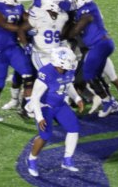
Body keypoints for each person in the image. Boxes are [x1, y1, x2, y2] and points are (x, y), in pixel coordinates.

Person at [64, 0, 118, 117]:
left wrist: (66, 31)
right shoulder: (87, 7)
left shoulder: (86, 11)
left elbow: (74, 32)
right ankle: (109, 101)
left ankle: (108, 102)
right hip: (95, 45)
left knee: (88, 75)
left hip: (95, 46)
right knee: (92, 75)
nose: (73, 0)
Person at [26, 47, 85, 177]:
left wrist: (77, 98)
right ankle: (31, 160)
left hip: (59, 104)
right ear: (61, 62)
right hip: (44, 106)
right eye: (69, 60)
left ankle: (67, 160)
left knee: (73, 127)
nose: (72, 62)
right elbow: (35, 98)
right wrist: (39, 117)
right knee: (45, 136)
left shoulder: (68, 70)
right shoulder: (46, 73)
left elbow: (68, 84)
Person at [0, 0, 34, 123]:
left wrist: (36, 19)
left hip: (13, 47)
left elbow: (27, 19)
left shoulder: (18, 7)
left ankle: (29, 107)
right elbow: (5, 25)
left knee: (28, 75)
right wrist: (23, 30)